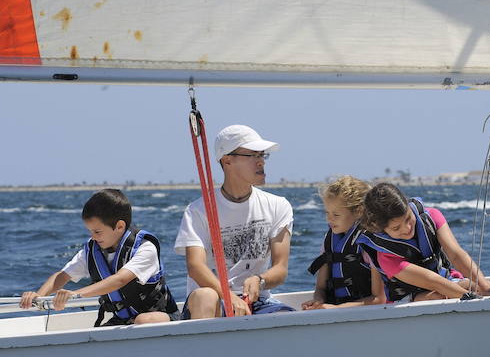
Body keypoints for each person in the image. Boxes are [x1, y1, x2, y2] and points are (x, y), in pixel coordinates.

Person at [175, 124, 294, 319]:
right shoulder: (197, 211)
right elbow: (195, 267)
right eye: (253, 155)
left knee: (287, 319)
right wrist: (228, 297)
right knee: (205, 296)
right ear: (227, 160)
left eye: (262, 155)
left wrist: (260, 280)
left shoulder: (278, 205)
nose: (261, 162)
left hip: (259, 301)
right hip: (214, 301)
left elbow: (280, 268)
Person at [19, 189, 178, 325]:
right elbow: (61, 276)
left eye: (97, 232)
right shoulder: (92, 251)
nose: (93, 237)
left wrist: (75, 295)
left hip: (162, 317)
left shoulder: (145, 248)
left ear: (119, 226)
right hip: (124, 321)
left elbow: (119, 280)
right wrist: (38, 296)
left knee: (143, 321)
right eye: (90, 232)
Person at [357, 183, 490, 302]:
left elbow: (456, 255)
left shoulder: (432, 217)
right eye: (396, 228)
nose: (407, 228)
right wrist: (472, 297)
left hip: (444, 281)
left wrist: (487, 288)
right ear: (382, 229)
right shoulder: (386, 257)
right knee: (439, 296)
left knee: (473, 285)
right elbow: (432, 281)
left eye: (408, 218)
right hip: (408, 297)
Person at [303, 176, 384, 309]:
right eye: (327, 212)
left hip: (367, 313)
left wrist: (337, 309)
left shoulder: (370, 243)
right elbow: (320, 288)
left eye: (336, 215)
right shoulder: (329, 241)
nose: (329, 219)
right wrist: (318, 300)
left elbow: (379, 299)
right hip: (337, 310)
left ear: (359, 211)